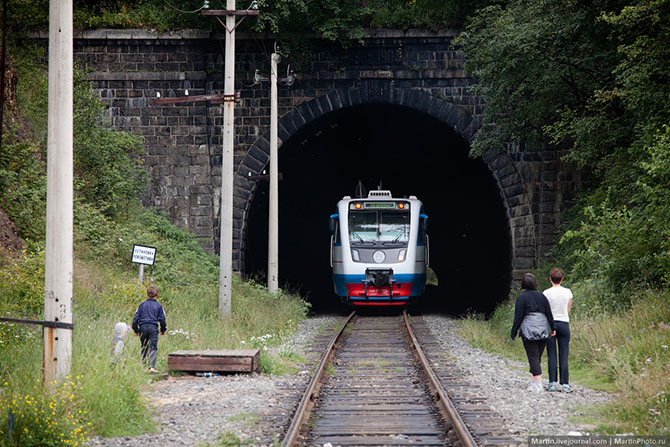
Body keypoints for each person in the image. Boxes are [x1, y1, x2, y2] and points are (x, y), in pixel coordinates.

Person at [510, 272, 556, 392]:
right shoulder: (542, 296)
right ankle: (533, 381)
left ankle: (538, 384)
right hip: (543, 329)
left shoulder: (522, 298)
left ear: (523, 284)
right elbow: (549, 314)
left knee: (533, 357)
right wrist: (553, 328)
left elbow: (518, 317)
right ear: (535, 283)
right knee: (537, 356)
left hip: (529, 330)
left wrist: (514, 331)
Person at [543, 268, 573, 393]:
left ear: (550, 279)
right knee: (564, 354)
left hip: (551, 324)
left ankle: (551, 383)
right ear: (562, 279)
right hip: (564, 323)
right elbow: (568, 310)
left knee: (551, 354)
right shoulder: (568, 292)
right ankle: (565, 384)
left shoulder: (546, 293)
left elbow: (545, 310)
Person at [132, 285, 167, 373]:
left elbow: (135, 318)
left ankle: (144, 367)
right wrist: (163, 330)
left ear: (147, 294)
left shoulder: (141, 305)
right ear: (157, 294)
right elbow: (162, 319)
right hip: (153, 328)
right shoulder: (159, 306)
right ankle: (152, 367)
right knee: (153, 347)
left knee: (144, 346)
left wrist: (135, 330)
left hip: (142, 327)